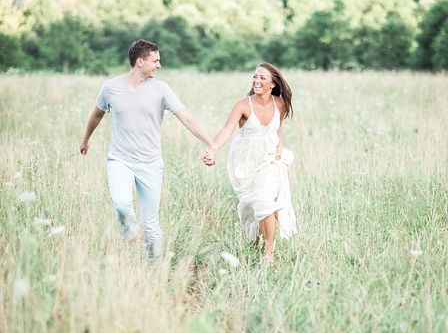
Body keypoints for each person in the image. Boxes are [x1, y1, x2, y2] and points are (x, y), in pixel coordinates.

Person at [80, 39, 214, 258]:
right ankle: (131, 244)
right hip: (120, 160)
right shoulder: (110, 88)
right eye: (156, 60)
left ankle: (155, 270)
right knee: (122, 204)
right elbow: (96, 114)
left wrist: (210, 143)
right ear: (140, 61)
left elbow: (186, 117)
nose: (159, 65)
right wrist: (85, 139)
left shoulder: (161, 89)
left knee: (151, 225)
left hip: (151, 164)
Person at [202, 63, 296, 265]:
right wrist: (213, 149)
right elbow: (227, 130)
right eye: (255, 77)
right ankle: (259, 244)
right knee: (253, 207)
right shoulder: (243, 105)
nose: (257, 81)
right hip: (244, 165)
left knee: (264, 201)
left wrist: (279, 145)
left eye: (262, 78)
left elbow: (278, 128)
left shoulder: (280, 104)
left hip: (269, 162)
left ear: (273, 83)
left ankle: (269, 256)